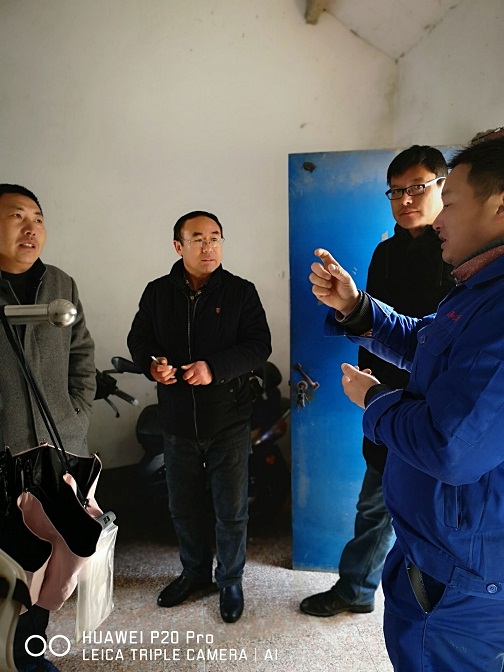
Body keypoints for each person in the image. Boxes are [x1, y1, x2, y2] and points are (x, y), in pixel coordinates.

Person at [308, 136, 504, 671]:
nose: (437, 217)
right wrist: (356, 307)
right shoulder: (478, 285)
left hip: (465, 571)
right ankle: (357, 586)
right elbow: (427, 338)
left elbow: (449, 447)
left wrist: (374, 400)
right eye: (395, 192)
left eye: (448, 200)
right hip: (436, 537)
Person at [300, 146, 455, 617]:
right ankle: (356, 588)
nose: (405, 200)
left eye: (417, 188)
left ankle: (438, 608)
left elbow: (442, 339)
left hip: (440, 406)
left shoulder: (459, 249)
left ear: (443, 186)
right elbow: (371, 321)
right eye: (395, 191)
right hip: (385, 397)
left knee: (438, 514)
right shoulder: (385, 252)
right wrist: (368, 380)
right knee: (375, 500)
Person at [127, 210, 271, 623]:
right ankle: (194, 573)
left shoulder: (241, 292)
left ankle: (230, 580)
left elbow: (259, 345)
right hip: (176, 421)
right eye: (198, 239)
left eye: (215, 238)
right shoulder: (157, 293)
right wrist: (152, 365)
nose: (208, 247)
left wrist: (214, 368)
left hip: (228, 419)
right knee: (183, 507)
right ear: (179, 246)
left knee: (231, 510)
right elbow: (139, 339)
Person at [0, 184, 96, 672]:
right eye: (17, 216)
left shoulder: (60, 283)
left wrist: (76, 411)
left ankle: (31, 650)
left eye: (37, 217)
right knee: (12, 563)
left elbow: (82, 352)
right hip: (5, 452)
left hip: (58, 446)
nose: (31, 227)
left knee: (58, 552)